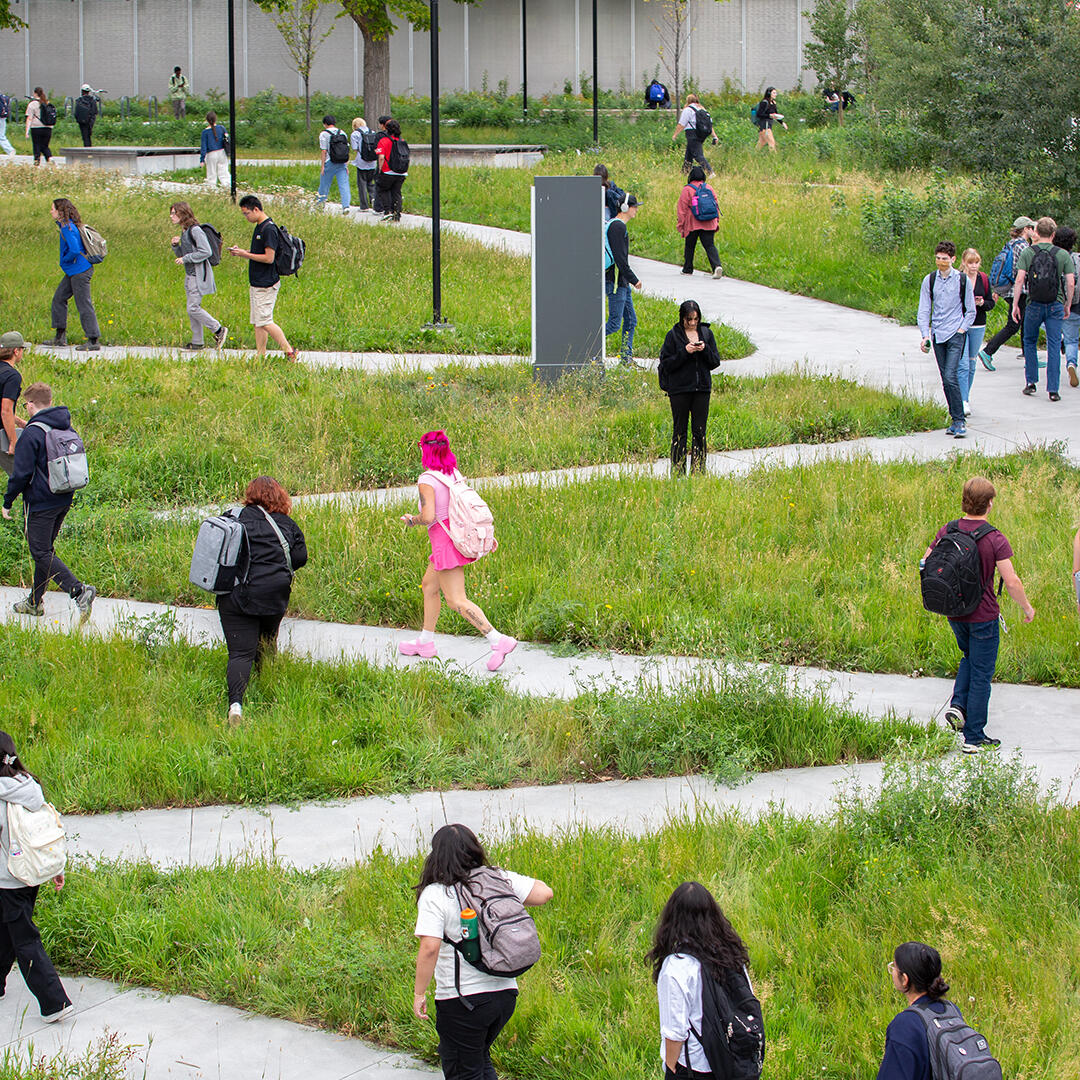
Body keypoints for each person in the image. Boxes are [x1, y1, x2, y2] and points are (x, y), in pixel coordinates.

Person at [413, 824, 552, 1080]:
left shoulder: (436, 894)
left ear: (436, 856)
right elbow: (545, 893)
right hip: (504, 996)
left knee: (464, 1072)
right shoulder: (497, 878)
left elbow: (430, 948)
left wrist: (419, 993)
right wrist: (499, 881)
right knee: (478, 1062)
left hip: (463, 1002)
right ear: (475, 850)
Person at [923, 476, 1034, 753]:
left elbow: (926, 562)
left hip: (954, 611)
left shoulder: (948, 530)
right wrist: (1027, 608)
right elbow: (1012, 582)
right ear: (990, 504)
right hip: (983, 616)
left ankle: (958, 706)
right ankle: (973, 737)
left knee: (969, 657)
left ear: (965, 501)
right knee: (982, 673)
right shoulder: (994, 538)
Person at [398, 431, 518, 672]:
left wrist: (412, 520)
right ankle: (425, 642)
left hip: (445, 544)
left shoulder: (426, 479)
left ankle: (498, 640)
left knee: (456, 600)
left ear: (425, 450)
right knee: (429, 586)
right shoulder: (452, 473)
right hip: (456, 538)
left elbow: (429, 516)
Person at [2, 381, 96, 621]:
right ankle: (34, 602)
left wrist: (8, 501)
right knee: (45, 552)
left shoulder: (33, 433)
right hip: (63, 497)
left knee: (41, 552)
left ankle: (79, 591)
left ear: (31, 404)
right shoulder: (63, 425)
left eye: (25, 404)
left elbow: (21, 474)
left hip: (41, 502)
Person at [216, 476, 307, 723]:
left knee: (240, 654)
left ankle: (236, 705)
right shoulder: (286, 524)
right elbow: (300, 558)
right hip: (273, 595)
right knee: (266, 643)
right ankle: (266, 689)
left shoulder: (233, 518)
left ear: (249, 495)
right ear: (280, 496)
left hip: (235, 595)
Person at [648, 881, 757, 1080]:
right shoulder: (730, 953)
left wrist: (670, 1068)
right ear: (713, 915)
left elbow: (675, 1033)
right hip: (731, 1063)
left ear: (672, 918)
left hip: (694, 1068)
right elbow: (747, 997)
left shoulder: (676, 967)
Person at [0, 731, 73, 1025]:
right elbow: (40, 831)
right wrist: (55, 868)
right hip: (29, 876)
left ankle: (55, 1003)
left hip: (8, 880)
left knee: (25, 940)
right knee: (5, 932)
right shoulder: (28, 786)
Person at [228, 195, 299, 362]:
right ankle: (261, 355)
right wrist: (242, 251)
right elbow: (259, 253)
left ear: (256, 209)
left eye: (247, 213)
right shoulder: (259, 227)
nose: (246, 217)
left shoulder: (268, 229)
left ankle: (289, 351)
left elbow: (269, 258)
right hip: (257, 282)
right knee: (258, 322)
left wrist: (244, 254)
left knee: (265, 321)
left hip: (266, 283)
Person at [876, 943, 962, 1080]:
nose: (892, 971)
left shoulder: (905, 1024)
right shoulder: (951, 1009)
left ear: (905, 979)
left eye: (894, 967)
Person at [916, 241, 975, 438]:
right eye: (938, 258)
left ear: (953, 259)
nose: (941, 262)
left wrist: (961, 330)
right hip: (938, 334)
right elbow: (924, 309)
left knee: (951, 376)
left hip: (955, 334)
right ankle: (954, 419)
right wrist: (925, 335)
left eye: (945, 259)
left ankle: (960, 421)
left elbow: (971, 310)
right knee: (945, 379)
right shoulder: (930, 280)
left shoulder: (962, 280)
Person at [1012, 215, 1074, 401]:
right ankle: (1053, 390)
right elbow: (1070, 282)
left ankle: (1031, 382)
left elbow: (1020, 280)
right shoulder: (1062, 254)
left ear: (1036, 233)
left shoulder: (1028, 252)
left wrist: (1015, 304)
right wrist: (1067, 304)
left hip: (1034, 304)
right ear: (1053, 234)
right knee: (1053, 344)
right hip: (1055, 304)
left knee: (1029, 341)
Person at [658, 300, 723, 476]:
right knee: (680, 431)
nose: (693, 323)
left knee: (699, 431)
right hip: (679, 390)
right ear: (682, 318)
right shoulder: (673, 336)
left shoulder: (706, 333)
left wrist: (705, 349)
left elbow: (715, 362)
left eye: (695, 319)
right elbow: (666, 364)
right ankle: (678, 472)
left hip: (702, 389)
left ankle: (698, 471)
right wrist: (685, 352)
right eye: (689, 319)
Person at [978, 216, 1036, 370]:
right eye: (1031, 228)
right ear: (1025, 229)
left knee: (1024, 322)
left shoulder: (1011, 243)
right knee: (1013, 325)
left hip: (1008, 289)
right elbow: (1027, 270)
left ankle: (1029, 358)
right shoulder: (1023, 246)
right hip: (1019, 290)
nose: (1033, 231)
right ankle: (988, 352)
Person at [45, 198, 101, 352]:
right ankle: (60, 337)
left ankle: (93, 339)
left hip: (80, 271)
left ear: (60, 211)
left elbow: (75, 250)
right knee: (59, 298)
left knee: (83, 304)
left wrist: (65, 260)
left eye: (53, 209)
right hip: (74, 271)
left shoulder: (67, 227)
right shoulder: (68, 225)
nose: (51, 212)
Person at [170, 201, 227, 352]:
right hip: (190, 276)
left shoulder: (195, 230)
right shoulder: (185, 231)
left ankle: (218, 329)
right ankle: (197, 342)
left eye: (174, 213)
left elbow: (206, 251)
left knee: (193, 308)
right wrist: (176, 247)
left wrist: (185, 258)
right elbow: (184, 254)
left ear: (183, 213)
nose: (171, 216)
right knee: (192, 308)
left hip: (198, 275)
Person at [605, 193, 643, 366]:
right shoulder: (617, 227)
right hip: (615, 282)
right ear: (625, 207)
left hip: (621, 282)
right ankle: (585, 342)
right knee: (614, 324)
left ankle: (626, 357)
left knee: (631, 320)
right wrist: (634, 279)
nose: (636, 210)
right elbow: (620, 259)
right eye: (634, 206)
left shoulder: (618, 226)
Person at [958, 248, 995, 417]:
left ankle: (965, 396)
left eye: (976, 262)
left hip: (978, 324)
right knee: (963, 363)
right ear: (964, 263)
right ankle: (962, 400)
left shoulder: (983, 279)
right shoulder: (959, 279)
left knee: (971, 362)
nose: (974, 266)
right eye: (970, 262)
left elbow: (990, 303)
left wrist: (981, 303)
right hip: (961, 324)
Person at [676, 166, 723, 278]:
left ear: (690, 176)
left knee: (690, 245)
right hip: (709, 221)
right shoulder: (709, 188)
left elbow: (682, 209)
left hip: (693, 223)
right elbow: (715, 204)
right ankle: (717, 266)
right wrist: (716, 220)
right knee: (710, 245)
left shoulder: (687, 189)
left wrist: (680, 225)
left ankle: (688, 269)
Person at [1055, 226, 1080, 389]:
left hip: (1067, 305)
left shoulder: (1055, 258)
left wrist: (1067, 303)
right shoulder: (1078, 258)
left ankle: (1071, 363)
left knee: (1071, 340)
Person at [0, 331, 26, 479]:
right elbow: (5, 410)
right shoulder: (12, 376)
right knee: (22, 476)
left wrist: (19, 422)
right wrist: (13, 441)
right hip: (0, 434)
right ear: (16, 351)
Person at [671, 93, 717, 175]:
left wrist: (675, 135)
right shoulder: (703, 110)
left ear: (687, 100)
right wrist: (714, 136)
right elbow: (709, 125)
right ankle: (685, 172)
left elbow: (682, 124)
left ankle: (710, 172)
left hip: (692, 133)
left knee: (697, 155)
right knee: (689, 154)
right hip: (701, 134)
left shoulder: (688, 110)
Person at [316, 114, 351, 213]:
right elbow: (346, 149)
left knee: (324, 185)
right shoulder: (342, 132)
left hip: (329, 161)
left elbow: (324, 150)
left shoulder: (324, 134)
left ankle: (320, 205)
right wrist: (346, 165)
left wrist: (322, 166)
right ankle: (346, 206)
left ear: (325, 124)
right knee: (344, 185)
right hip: (342, 162)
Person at [376, 117, 407, 222]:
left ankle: (387, 211)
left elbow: (381, 156)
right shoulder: (403, 141)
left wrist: (380, 169)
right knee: (396, 192)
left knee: (383, 190)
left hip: (387, 170)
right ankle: (396, 214)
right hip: (401, 171)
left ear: (387, 129)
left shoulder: (383, 141)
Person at [350, 117, 377, 212]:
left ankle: (364, 206)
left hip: (361, 161)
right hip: (373, 162)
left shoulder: (355, 134)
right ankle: (374, 201)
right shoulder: (373, 132)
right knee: (372, 183)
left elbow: (355, 148)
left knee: (362, 184)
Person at [24, 87, 54, 166]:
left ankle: (37, 162)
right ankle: (50, 158)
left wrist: (27, 131)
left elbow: (29, 118)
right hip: (48, 127)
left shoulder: (32, 104)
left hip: (36, 127)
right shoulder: (47, 102)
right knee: (45, 146)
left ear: (35, 93)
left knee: (36, 145)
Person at [200, 111, 229, 188]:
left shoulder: (205, 132)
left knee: (211, 173)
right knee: (224, 171)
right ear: (216, 119)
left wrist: (202, 159)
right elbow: (227, 139)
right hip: (222, 152)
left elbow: (203, 147)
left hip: (211, 154)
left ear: (207, 120)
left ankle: (212, 188)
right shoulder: (222, 128)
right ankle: (227, 186)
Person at [0, 90, 16, 157]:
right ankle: (10, 150)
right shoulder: (3, 97)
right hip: (3, 118)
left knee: (1, 136)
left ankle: (10, 150)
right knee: (1, 136)